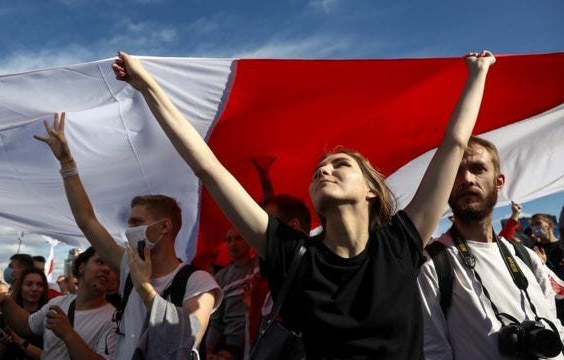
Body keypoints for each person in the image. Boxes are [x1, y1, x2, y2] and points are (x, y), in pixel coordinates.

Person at [111, 49, 495, 358]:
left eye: (340, 165)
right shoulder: (291, 253)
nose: (324, 171)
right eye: (318, 170)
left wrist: (478, 74)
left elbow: (454, 145)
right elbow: (208, 167)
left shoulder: (401, 242)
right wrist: (148, 87)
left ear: (371, 190)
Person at [34, 120, 222, 359]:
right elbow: (87, 220)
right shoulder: (128, 268)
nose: (128, 230)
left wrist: (145, 289)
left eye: (136, 223)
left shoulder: (198, 282)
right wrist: (67, 164)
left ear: (164, 227)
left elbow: (188, 336)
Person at [417, 137, 564, 359]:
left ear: (498, 181)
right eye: (456, 171)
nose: (467, 179)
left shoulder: (526, 257)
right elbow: (433, 350)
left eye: (478, 169)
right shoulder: (432, 264)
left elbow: (554, 325)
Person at [0, 247, 118, 360]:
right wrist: (5, 302)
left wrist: (69, 334)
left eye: (111, 267)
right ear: (82, 267)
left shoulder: (115, 319)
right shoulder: (59, 303)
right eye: (100, 262)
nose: (106, 269)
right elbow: (26, 326)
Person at [206, 227, 259, 360]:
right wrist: (207, 349)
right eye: (229, 240)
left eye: (239, 238)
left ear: (248, 241)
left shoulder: (259, 266)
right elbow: (216, 322)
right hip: (232, 347)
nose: (233, 244)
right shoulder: (221, 277)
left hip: (260, 341)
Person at [0, 268, 48, 360]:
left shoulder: (49, 317)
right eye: (29, 284)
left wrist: (21, 342)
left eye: (39, 285)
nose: (34, 288)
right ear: (20, 287)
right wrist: (3, 346)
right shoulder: (5, 317)